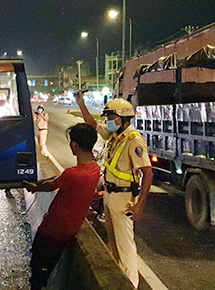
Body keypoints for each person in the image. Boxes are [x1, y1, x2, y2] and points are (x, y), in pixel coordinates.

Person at [75, 93, 153, 288]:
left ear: (123, 118)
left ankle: (131, 285)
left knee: (125, 246)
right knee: (114, 245)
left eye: (111, 118)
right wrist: (81, 104)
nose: (108, 121)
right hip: (111, 195)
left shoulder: (134, 141)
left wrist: (140, 206)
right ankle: (120, 283)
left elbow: (148, 174)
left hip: (125, 198)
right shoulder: (115, 136)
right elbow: (92, 124)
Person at [23, 123, 100, 290]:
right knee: (45, 268)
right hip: (68, 231)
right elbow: (58, 178)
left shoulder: (72, 174)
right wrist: (39, 182)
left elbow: (51, 185)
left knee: (38, 270)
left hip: (52, 231)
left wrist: (34, 187)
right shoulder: (94, 169)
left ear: (74, 145)